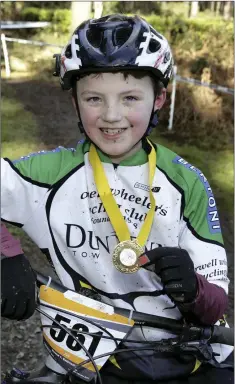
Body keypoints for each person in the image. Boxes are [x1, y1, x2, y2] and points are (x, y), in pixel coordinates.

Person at [1, 13, 233, 384]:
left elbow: (215, 304)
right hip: (92, 363)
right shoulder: (50, 172)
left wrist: (193, 290)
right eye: (94, 98)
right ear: (75, 101)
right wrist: (6, 255)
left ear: (159, 98)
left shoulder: (187, 182)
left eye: (130, 98)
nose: (111, 116)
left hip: (187, 358)